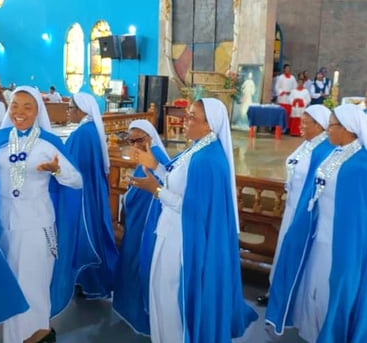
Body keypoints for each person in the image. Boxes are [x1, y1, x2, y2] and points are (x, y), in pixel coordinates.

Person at [129, 98, 258, 343]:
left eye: (191, 117)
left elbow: (194, 210)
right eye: (186, 114)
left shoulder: (207, 159)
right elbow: (176, 182)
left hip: (182, 241)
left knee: (171, 300)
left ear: (210, 125)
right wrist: (155, 165)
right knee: (160, 292)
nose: (184, 120)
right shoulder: (196, 149)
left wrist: (155, 191)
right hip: (170, 233)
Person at [0, 86, 98, 343]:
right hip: (4, 226)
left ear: (38, 111)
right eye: (15, 105)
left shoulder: (48, 143)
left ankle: (34, 336)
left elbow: (77, 181)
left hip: (36, 226)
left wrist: (57, 170)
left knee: (33, 286)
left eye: (27, 107)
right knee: (11, 288)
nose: (19, 112)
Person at [266, 104, 367, 342]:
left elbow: (356, 215)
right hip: (317, 235)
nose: (328, 130)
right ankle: (311, 333)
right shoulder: (336, 153)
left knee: (327, 292)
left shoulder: (359, 166)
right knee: (311, 289)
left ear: (348, 129)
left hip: (339, 243)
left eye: (332, 126)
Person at [258, 105, 333, 307]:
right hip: (292, 208)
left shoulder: (326, 150)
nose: (300, 126)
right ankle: (276, 292)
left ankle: (293, 299)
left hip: (304, 212)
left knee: (298, 254)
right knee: (284, 249)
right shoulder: (307, 144)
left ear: (319, 125)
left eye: (305, 123)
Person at [113, 120, 170, 336]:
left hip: (148, 226)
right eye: (131, 140)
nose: (135, 145)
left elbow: (164, 186)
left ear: (151, 138)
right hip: (136, 223)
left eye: (140, 140)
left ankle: (144, 317)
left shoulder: (156, 156)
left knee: (141, 266)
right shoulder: (145, 156)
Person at [66, 92, 119, 299]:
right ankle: (87, 280)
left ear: (81, 110)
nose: (68, 112)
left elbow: (72, 166)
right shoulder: (88, 130)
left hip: (83, 193)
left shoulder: (83, 134)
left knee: (85, 234)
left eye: (70, 108)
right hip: (90, 189)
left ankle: (89, 281)